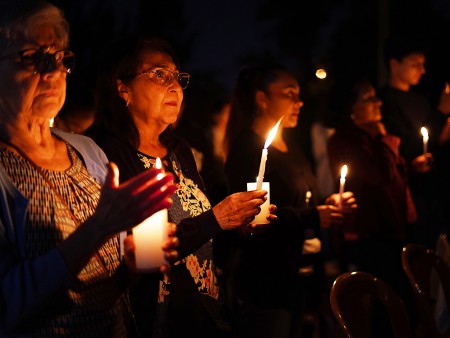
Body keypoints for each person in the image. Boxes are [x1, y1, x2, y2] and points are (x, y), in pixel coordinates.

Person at [0, 1, 178, 337]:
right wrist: (98, 228)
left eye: (59, 58)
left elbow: (111, 276)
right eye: (31, 57)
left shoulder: (86, 151)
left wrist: (134, 261)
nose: (52, 71)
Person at [86, 34, 276, 338]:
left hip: (204, 315)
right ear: (123, 88)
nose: (174, 86)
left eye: (177, 77)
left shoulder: (179, 150)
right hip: (153, 318)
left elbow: (203, 238)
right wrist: (216, 219)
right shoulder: (106, 155)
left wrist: (237, 226)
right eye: (159, 74)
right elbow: (136, 250)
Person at [224, 63, 356, 338]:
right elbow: (256, 214)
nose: (299, 102)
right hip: (268, 281)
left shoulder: (292, 146)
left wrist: (328, 203)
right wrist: (313, 216)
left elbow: (307, 198)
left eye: (298, 94)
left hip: (301, 277)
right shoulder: (248, 150)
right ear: (262, 99)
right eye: (289, 93)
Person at [326, 78, 418, 335]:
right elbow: (380, 176)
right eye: (368, 98)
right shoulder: (345, 141)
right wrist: (385, 140)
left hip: (391, 231)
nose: (378, 102)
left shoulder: (371, 137)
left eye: (376, 96)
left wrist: (411, 166)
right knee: (379, 312)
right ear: (352, 108)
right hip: (370, 237)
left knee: (400, 305)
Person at [379, 33, 450, 247]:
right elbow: (406, 146)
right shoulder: (384, 102)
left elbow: (435, 142)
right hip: (410, 195)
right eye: (415, 64)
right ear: (394, 64)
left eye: (423, 64)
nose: (422, 70)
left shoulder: (420, 100)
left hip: (433, 192)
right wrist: (440, 113)